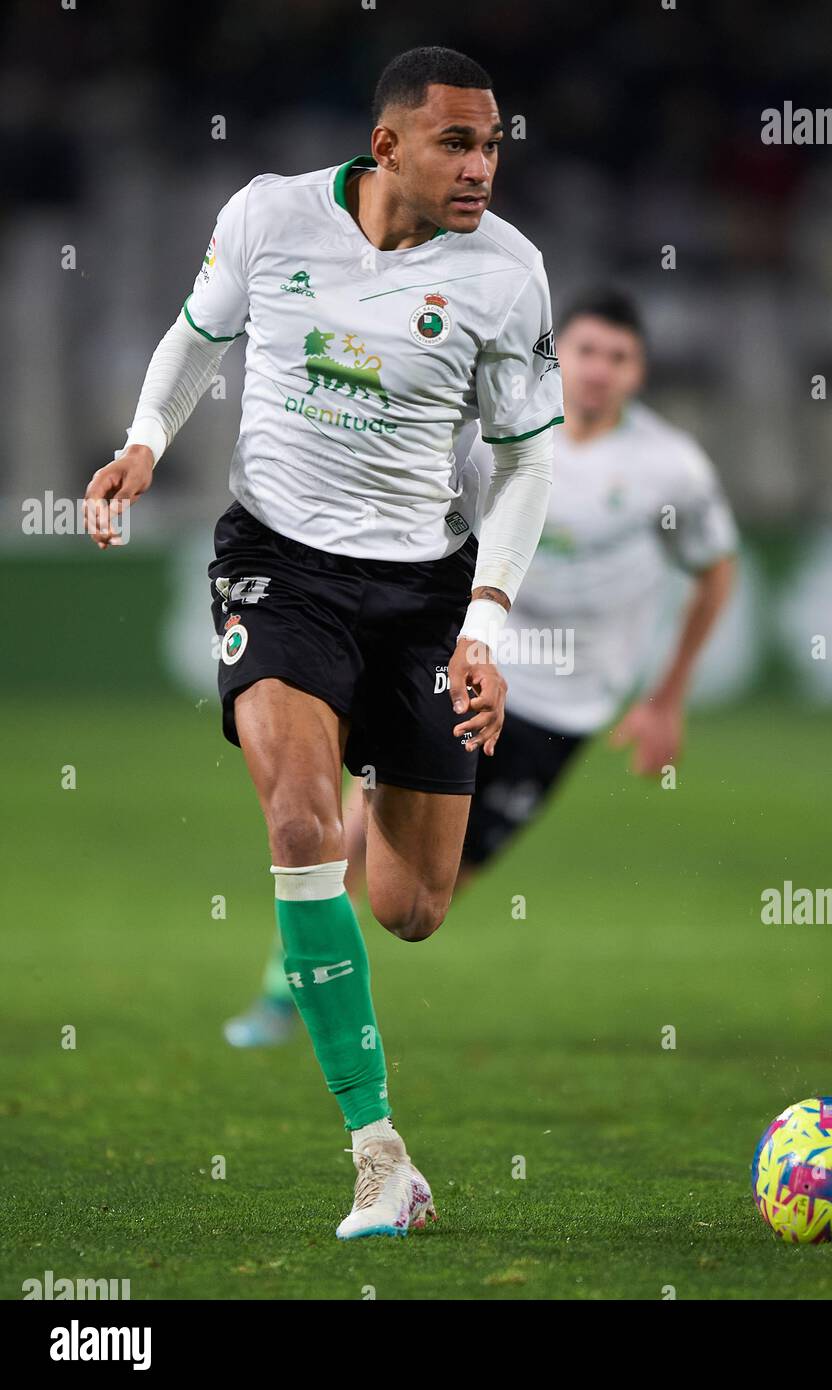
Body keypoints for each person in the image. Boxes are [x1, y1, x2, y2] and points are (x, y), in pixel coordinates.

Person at [83, 46, 563, 1241]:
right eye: (457, 143)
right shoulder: (269, 215)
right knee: (296, 819)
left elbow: (523, 460)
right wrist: (146, 439)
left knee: (410, 906)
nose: (481, 167)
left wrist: (484, 622)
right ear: (387, 145)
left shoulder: (508, 275)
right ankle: (378, 1152)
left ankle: (342, 858)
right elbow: (198, 335)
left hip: (421, 587)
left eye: (494, 143)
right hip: (278, 563)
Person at [229, 288, 737, 1041]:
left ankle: (328, 966)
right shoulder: (496, 432)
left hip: (566, 704)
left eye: (618, 358)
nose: (598, 370)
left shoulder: (673, 469)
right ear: (555, 353)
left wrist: (666, 699)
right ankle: (289, 988)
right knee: (354, 826)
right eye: (586, 351)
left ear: (639, 373)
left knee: (427, 893)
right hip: (465, 662)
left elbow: (714, 569)